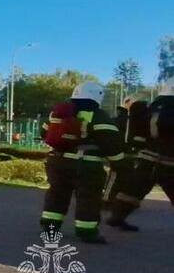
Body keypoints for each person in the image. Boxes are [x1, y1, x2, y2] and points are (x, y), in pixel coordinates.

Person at [40, 81, 126, 243]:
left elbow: (43, 132)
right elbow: (111, 142)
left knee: (56, 194)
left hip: (56, 161)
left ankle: (49, 229)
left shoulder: (58, 112)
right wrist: (119, 162)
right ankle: (86, 231)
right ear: (98, 96)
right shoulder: (98, 115)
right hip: (86, 164)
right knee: (88, 197)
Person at [105, 82, 174, 228]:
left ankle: (117, 217)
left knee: (133, 190)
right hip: (170, 162)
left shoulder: (150, 109)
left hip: (147, 159)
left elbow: (137, 135)